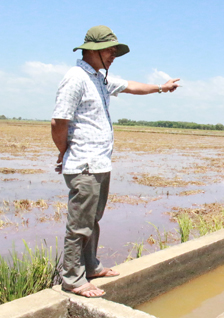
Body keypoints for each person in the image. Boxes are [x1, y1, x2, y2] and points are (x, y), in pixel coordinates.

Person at [51, 25, 180, 298]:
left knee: (92, 219)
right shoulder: (76, 77)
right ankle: (73, 279)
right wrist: (64, 152)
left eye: (114, 51)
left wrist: (160, 87)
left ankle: (91, 265)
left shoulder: (99, 79)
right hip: (84, 163)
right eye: (109, 50)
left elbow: (132, 86)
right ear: (93, 50)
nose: (113, 55)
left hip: (99, 163)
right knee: (79, 224)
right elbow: (59, 121)